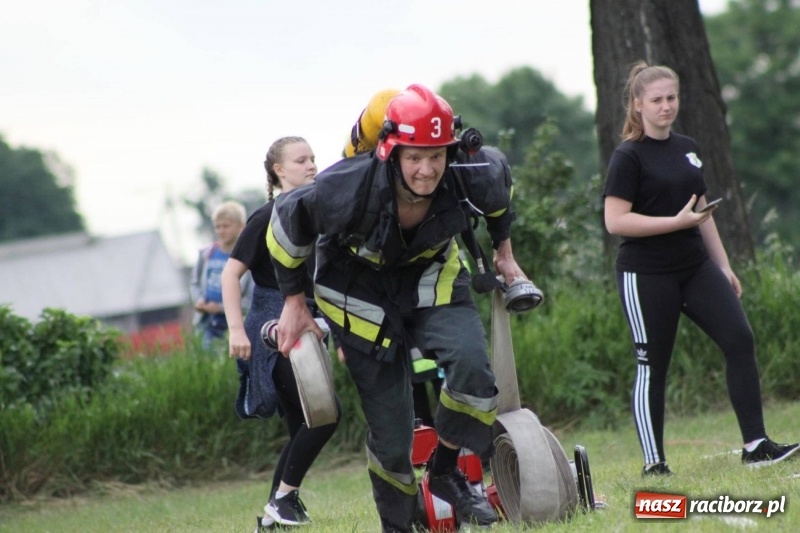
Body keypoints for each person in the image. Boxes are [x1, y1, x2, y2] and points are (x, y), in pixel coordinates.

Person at [267, 84, 531, 532]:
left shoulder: (473, 171)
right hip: (357, 294)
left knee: (472, 371)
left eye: (436, 156)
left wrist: (504, 255)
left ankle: (445, 470)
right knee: (392, 435)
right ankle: (399, 525)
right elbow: (284, 225)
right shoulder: (346, 185)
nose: (427, 170)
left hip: (431, 278)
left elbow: (499, 194)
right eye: (414, 158)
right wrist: (294, 302)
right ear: (391, 152)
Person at [602, 61, 799, 475]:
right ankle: (655, 463)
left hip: (694, 267)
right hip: (646, 275)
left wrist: (723, 265)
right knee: (653, 365)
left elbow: (702, 212)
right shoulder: (628, 156)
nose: (666, 106)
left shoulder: (687, 148)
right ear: (638, 105)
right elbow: (615, 221)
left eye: (671, 97)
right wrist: (674, 223)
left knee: (740, 339)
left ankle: (756, 446)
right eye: (657, 100)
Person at [221, 136, 342, 528]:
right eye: (300, 160)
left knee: (302, 428)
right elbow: (230, 274)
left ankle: (272, 519)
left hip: (310, 325)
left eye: (313, 158)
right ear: (278, 170)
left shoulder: (319, 212)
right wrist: (236, 330)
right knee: (325, 414)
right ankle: (284, 501)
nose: (311, 165)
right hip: (273, 330)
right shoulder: (266, 217)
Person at [190, 200, 253, 349]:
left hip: (235, 323)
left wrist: (220, 308)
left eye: (226, 226)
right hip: (206, 320)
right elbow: (194, 283)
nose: (221, 231)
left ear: (241, 226)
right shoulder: (206, 254)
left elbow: (250, 300)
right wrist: (199, 300)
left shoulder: (247, 258)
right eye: (217, 227)